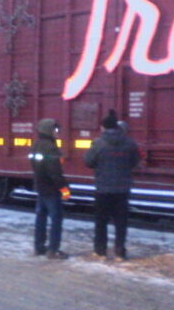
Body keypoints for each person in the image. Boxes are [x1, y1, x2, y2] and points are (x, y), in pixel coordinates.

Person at [84, 109, 139, 261]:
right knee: (121, 222)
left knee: (101, 221)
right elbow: (135, 162)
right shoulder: (129, 143)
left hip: (103, 188)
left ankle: (100, 250)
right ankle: (120, 252)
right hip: (122, 188)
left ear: (104, 127)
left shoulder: (98, 143)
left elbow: (88, 161)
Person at [29, 118, 71, 260]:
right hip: (51, 189)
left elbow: (35, 166)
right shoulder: (51, 148)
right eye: (56, 130)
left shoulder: (36, 145)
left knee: (41, 217)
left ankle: (39, 247)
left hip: (40, 186)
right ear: (48, 131)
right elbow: (55, 172)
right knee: (56, 219)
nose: (58, 132)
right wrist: (64, 189)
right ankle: (53, 250)